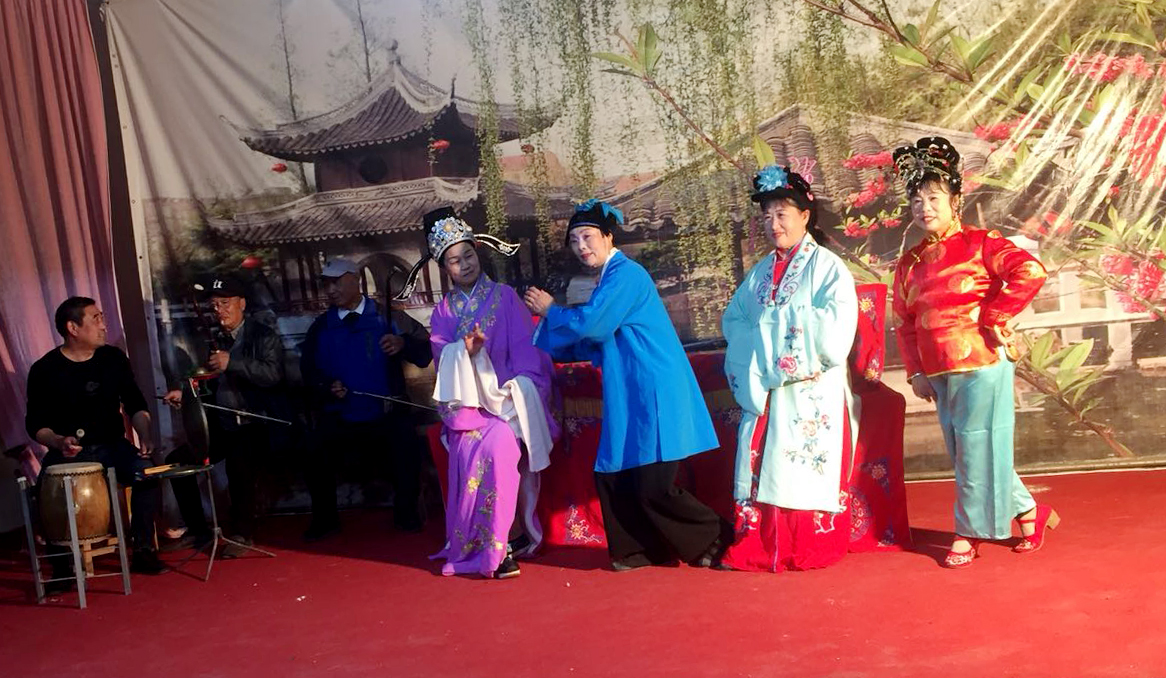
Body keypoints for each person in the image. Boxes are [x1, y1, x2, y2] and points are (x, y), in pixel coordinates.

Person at [523, 200, 731, 571]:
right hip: (629, 387)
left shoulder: (626, 275)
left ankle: (718, 540)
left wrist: (552, 311)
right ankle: (638, 551)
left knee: (654, 482)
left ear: (608, 236)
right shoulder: (608, 278)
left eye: (588, 237)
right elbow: (591, 338)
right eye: (574, 240)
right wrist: (546, 333)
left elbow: (592, 325)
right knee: (613, 469)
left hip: (653, 384)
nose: (581, 246)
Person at [891, 136, 1056, 568]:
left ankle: (968, 532)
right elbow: (904, 323)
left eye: (934, 198)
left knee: (976, 449)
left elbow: (1030, 271)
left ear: (955, 201)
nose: (924, 207)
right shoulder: (909, 263)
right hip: (937, 369)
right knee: (969, 451)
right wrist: (915, 372)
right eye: (917, 200)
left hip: (981, 361)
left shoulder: (981, 243)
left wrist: (995, 315)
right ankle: (1029, 511)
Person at [396, 207, 558, 579]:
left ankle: (505, 539)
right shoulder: (443, 313)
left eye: (468, 255)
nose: (465, 264)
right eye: (455, 261)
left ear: (477, 252)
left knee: (504, 437)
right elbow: (443, 362)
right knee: (491, 445)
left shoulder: (506, 297)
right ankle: (496, 545)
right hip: (469, 410)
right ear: (444, 267)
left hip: (510, 401)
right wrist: (464, 352)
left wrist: (516, 390)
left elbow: (526, 351)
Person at [719, 165, 859, 573]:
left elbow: (836, 331)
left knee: (800, 462)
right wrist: (763, 348)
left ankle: (805, 546)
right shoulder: (760, 273)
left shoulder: (828, 267)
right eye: (767, 216)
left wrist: (774, 335)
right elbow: (735, 321)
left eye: (782, 214)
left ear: (805, 216)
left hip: (809, 388)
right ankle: (759, 547)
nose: (773, 224)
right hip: (767, 389)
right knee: (761, 459)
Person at [25, 297, 165, 585]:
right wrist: (58, 441)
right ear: (73, 328)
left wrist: (145, 435)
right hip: (69, 452)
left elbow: (135, 404)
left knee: (147, 474)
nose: (104, 325)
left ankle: (143, 549)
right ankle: (61, 567)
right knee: (47, 489)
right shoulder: (45, 369)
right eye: (96, 319)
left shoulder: (113, 359)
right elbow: (36, 425)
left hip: (113, 446)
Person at [300, 257, 431, 541]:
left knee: (405, 442)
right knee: (314, 447)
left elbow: (425, 353)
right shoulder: (321, 327)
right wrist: (327, 386)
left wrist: (403, 343)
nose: (331, 290)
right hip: (342, 414)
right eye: (326, 284)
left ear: (355, 279)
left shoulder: (387, 316)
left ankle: (406, 512)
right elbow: (308, 371)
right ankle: (325, 519)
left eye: (336, 282)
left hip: (385, 412)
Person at [162, 276, 285, 557]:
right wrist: (185, 393)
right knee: (177, 462)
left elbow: (273, 375)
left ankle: (242, 533)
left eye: (225, 303)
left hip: (257, 421)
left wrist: (233, 363)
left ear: (242, 303)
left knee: (239, 462)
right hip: (224, 424)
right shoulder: (214, 339)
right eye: (215, 305)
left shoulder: (263, 335)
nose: (219, 311)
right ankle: (198, 531)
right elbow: (207, 382)